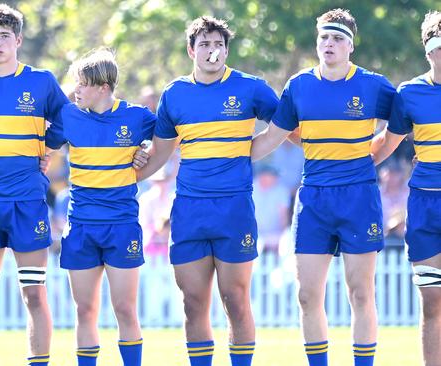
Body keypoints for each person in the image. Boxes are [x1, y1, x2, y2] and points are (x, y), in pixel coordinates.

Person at [251, 9, 396, 366]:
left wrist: (375, 152)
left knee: (360, 292)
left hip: (359, 197)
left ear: (350, 46)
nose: (328, 44)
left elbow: (405, 121)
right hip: (314, 198)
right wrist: (228, 158)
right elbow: (274, 136)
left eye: (337, 38)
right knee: (307, 295)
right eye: (323, 38)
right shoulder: (299, 86)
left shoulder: (373, 85)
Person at [134, 16, 279, 366]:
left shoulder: (250, 87)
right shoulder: (175, 94)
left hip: (234, 210)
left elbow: (285, 125)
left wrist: (251, 149)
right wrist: (125, 175)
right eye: (204, 44)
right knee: (193, 302)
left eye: (218, 45)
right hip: (190, 211)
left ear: (226, 50)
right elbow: (161, 153)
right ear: (191, 50)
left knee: (235, 299)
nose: (212, 51)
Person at [0, 4, 69, 366]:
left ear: (18, 40)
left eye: (5, 35)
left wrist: (49, 149)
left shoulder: (41, 81)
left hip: (27, 203)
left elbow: (67, 120)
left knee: (34, 294)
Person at [46, 47, 155, 366]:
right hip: (80, 226)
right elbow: (42, 140)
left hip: (121, 226)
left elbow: (168, 137)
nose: (75, 90)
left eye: (82, 84)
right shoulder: (69, 115)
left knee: (124, 308)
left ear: (103, 88)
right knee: (85, 310)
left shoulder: (136, 116)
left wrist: (146, 149)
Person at [371, 10, 441, 366]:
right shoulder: (410, 93)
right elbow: (388, 142)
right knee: (432, 302)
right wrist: (346, 165)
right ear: (428, 50)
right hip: (426, 204)